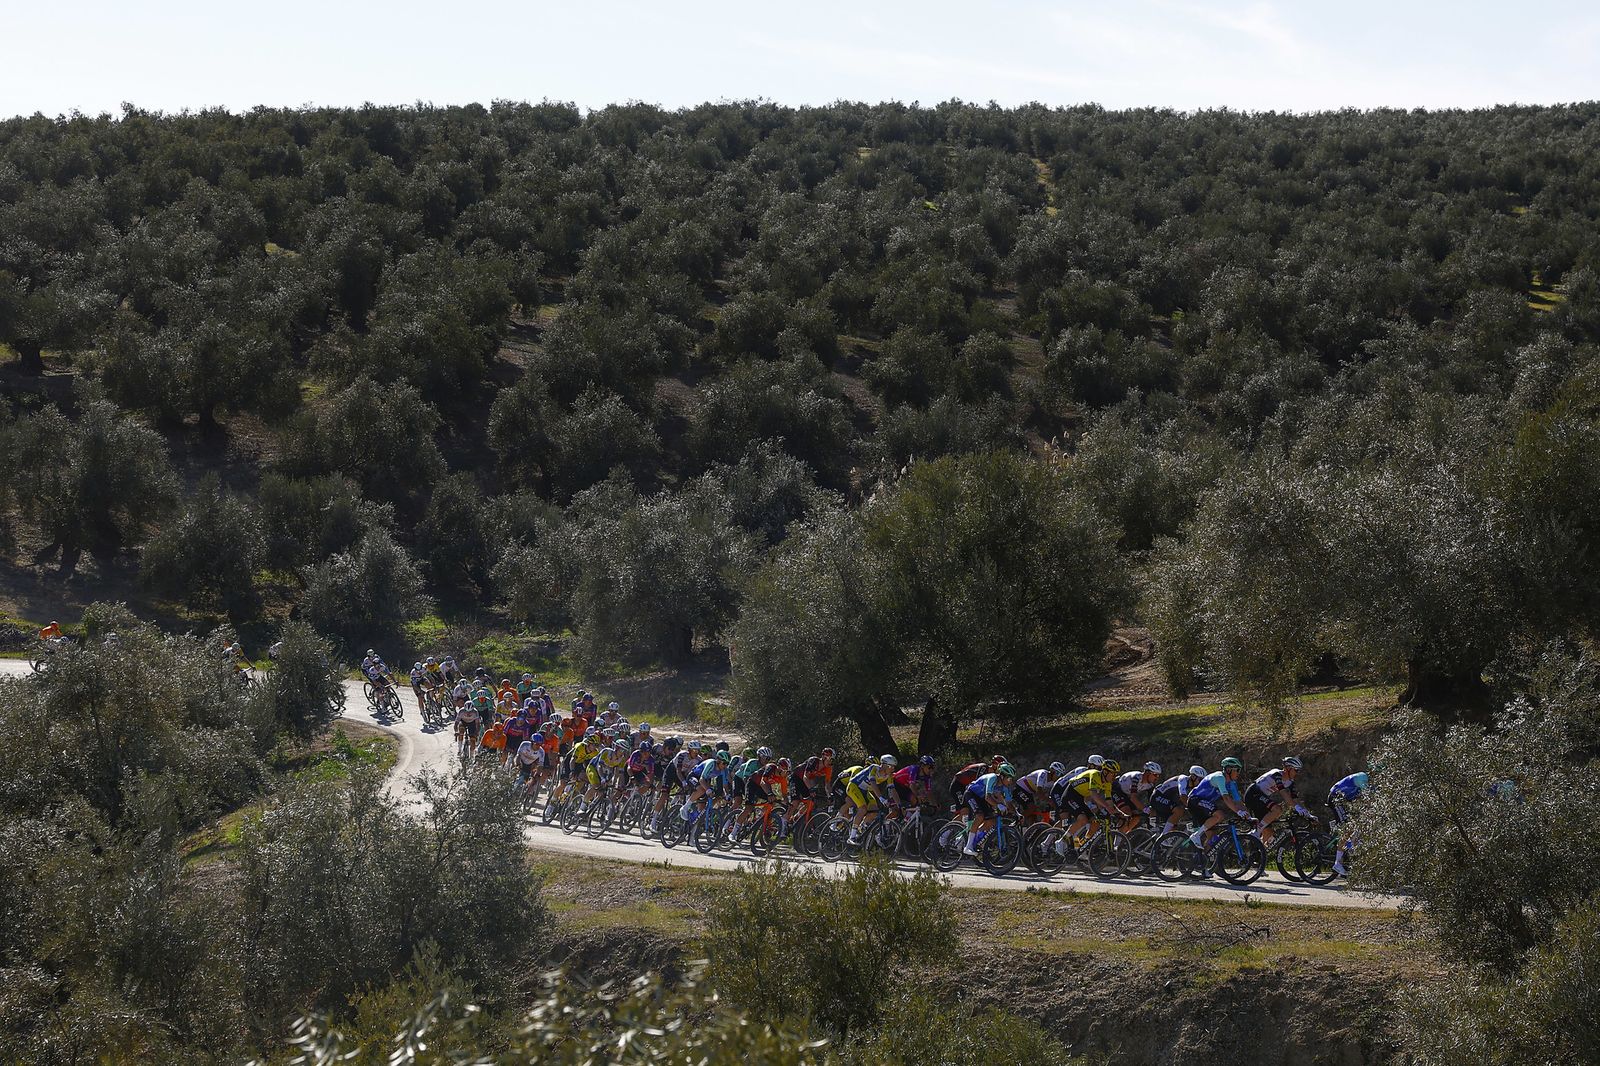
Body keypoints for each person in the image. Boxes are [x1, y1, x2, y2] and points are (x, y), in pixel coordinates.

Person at [1186, 757, 1254, 850]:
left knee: (1212, 837)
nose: (1239, 773)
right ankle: (1196, 836)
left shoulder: (1232, 783)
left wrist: (1249, 817)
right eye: (1237, 770)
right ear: (1228, 770)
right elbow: (1226, 798)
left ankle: (1204, 856)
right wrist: (1239, 812)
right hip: (1194, 800)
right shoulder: (1219, 778)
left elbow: (1239, 802)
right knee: (1220, 815)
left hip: (1204, 805)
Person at [1243, 756, 1308, 845]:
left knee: (1268, 832)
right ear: (1288, 768)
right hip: (1253, 794)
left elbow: (1295, 799)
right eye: (1296, 770)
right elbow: (1283, 793)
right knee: (1277, 809)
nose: (1297, 773)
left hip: (1261, 798)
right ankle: (1256, 832)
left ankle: (1258, 850)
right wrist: (1297, 808)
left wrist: (1307, 813)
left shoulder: (1290, 782)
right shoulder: (1277, 774)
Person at [961, 764, 1017, 856]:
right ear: (1002, 776)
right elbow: (988, 797)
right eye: (1009, 778)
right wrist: (998, 805)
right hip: (971, 793)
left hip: (982, 798)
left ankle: (976, 837)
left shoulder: (1005, 787)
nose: (1010, 781)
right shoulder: (992, 778)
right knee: (980, 816)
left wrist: (1017, 814)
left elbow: (1009, 803)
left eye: (1011, 779)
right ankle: (968, 846)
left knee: (991, 820)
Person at [1327, 770, 1371, 876]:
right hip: (1335, 799)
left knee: (1356, 822)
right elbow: (1368, 798)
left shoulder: (1367, 782)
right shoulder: (1362, 778)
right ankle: (1337, 863)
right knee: (1347, 828)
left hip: (1343, 800)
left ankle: (1349, 845)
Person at [846, 755, 898, 843]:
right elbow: (873, 784)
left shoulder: (889, 775)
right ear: (884, 765)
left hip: (865, 790)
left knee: (874, 810)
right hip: (854, 786)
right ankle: (852, 837)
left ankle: (861, 827)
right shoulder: (874, 768)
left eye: (894, 767)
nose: (893, 769)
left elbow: (892, 790)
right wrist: (881, 798)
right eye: (891, 766)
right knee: (863, 808)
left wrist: (898, 803)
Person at [1148, 766, 1207, 833]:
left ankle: (1171, 837)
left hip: (1168, 800)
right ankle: (1164, 836)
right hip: (1157, 796)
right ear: (1193, 777)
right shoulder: (1183, 779)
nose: (1201, 783)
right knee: (1179, 811)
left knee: (1179, 819)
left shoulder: (1193, 788)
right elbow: (1183, 797)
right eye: (1200, 780)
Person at [1112, 761, 1162, 832]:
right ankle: (1118, 835)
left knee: (1136, 817)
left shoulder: (1150, 785)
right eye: (1155, 775)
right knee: (1127, 812)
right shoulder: (1136, 778)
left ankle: (1123, 834)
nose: (1157, 778)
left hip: (1127, 794)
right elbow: (1133, 798)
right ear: (1147, 773)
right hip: (1117, 789)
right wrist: (1145, 809)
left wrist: (1155, 810)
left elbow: (1152, 800)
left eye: (1158, 775)